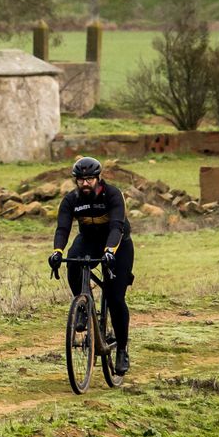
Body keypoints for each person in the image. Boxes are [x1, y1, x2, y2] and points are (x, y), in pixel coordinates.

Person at [47, 156, 135, 376]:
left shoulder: (113, 194)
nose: (85, 183)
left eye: (89, 179)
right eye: (81, 180)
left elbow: (116, 226)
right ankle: (84, 306)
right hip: (88, 240)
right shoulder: (71, 200)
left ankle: (122, 349)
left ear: (98, 178)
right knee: (73, 262)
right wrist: (56, 252)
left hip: (118, 244)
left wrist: (109, 252)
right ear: (75, 181)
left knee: (115, 298)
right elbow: (62, 229)